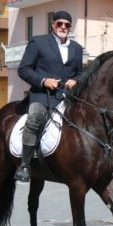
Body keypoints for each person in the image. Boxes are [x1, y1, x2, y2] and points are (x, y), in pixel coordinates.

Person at [15, 10, 84, 182]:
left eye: (66, 25)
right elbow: (24, 69)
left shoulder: (77, 48)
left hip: (67, 96)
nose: (63, 27)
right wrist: (43, 80)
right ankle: (24, 165)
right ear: (52, 24)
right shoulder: (38, 42)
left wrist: (76, 81)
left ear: (70, 27)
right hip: (42, 94)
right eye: (59, 23)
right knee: (35, 117)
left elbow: (81, 73)